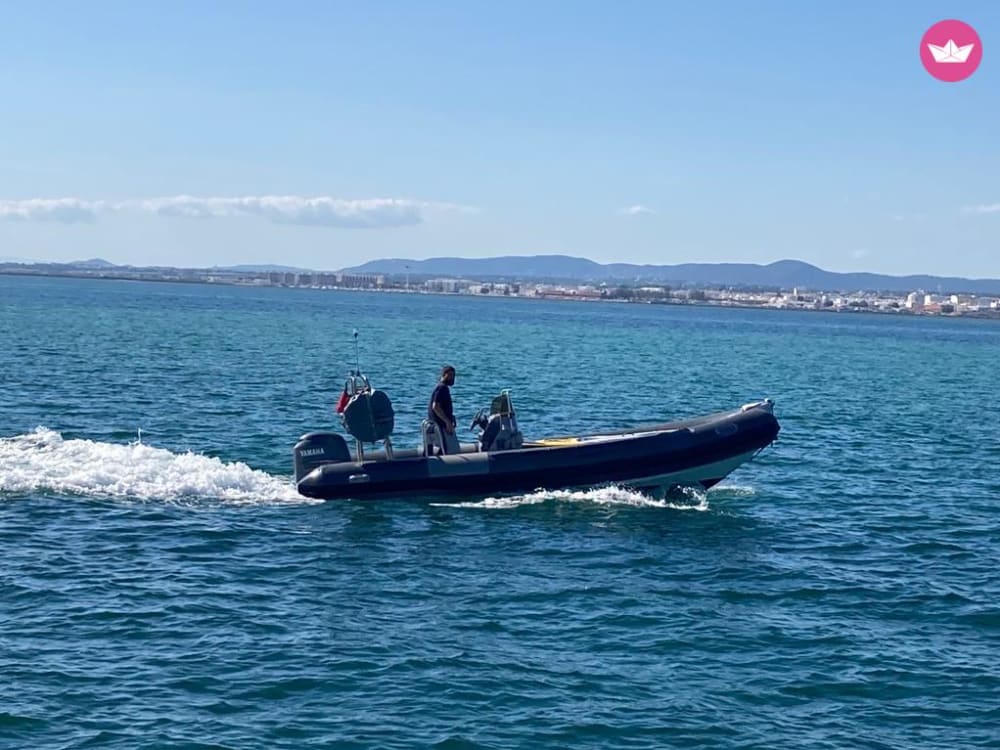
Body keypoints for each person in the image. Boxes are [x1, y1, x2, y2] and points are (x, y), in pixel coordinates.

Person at [427, 365, 460, 454]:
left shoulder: (441, 388)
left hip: (441, 423)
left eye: (453, 376)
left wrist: (450, 417)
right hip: (441, 425)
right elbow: (435, 407)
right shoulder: (442, 388)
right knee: (450, 450)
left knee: (444, 449)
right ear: (444, 375)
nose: (452, 378)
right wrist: (447, 422)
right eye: (450, 375)